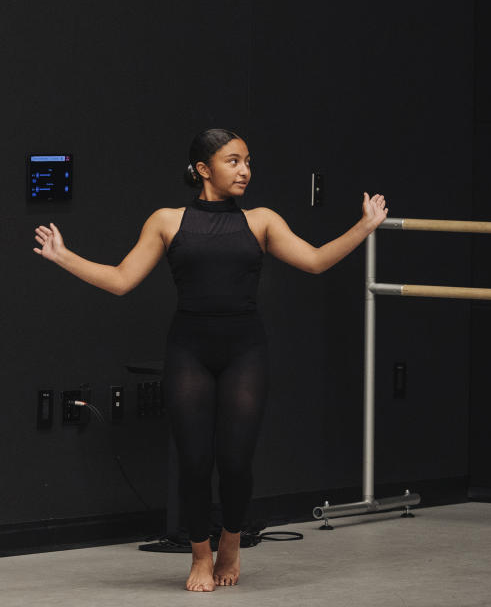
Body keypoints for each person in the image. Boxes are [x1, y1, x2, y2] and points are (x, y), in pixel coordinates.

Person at [33, 128, 388, 592]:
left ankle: (231, 542)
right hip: (189, 351)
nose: (245, 170)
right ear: (204, 169)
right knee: (195, 461)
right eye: (233, 161)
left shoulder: (262, 221)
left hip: (245, 351)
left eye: (247, 161)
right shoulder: (167, 220)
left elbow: (316, 261)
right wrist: (64, 257)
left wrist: (364, 226)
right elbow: (122, 280)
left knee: (236, 461)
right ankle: (200, 555)